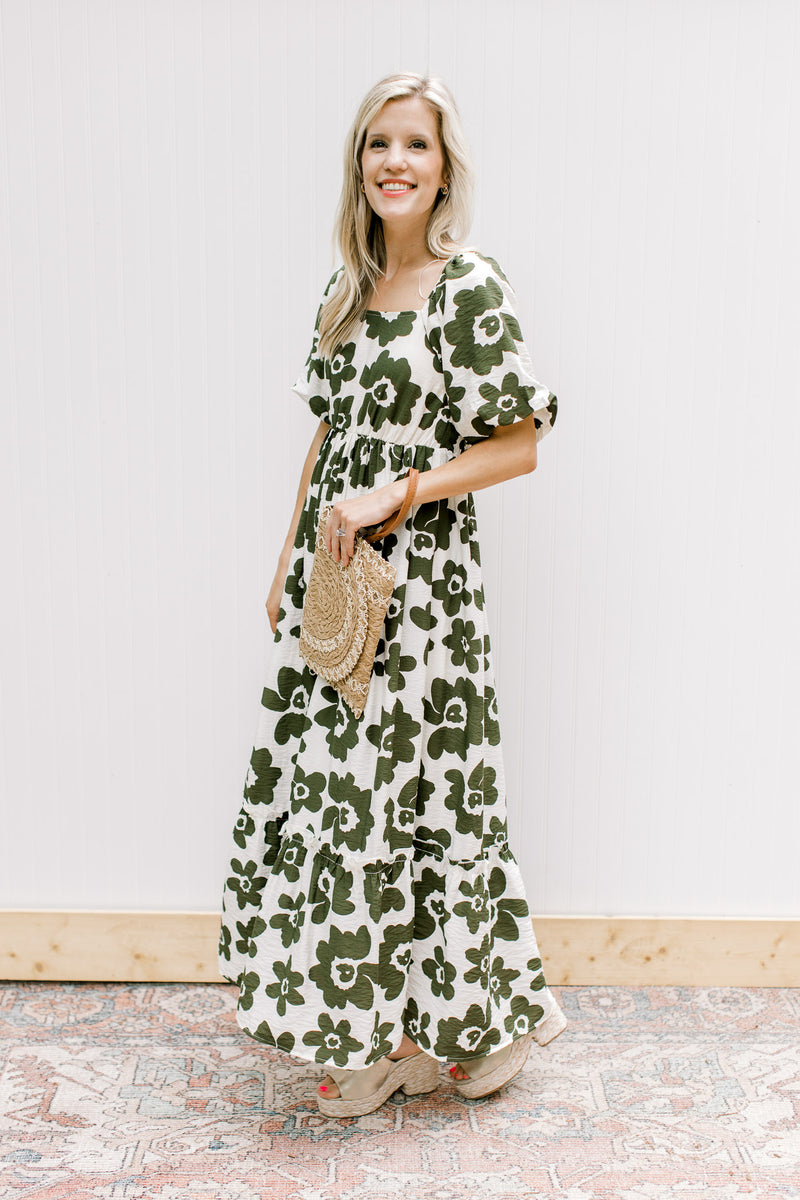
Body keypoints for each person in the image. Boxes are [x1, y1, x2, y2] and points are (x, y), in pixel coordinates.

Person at [217, 71, 567, 1118]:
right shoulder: (344, 291)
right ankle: (375, 1028)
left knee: (416, 802)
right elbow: (324, 434)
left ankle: (453, 1030)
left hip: (425, 597)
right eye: (377, 144)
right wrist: (287, 553)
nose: (393, 162)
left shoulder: (471, 289)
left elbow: (518, 446)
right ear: (358, 164)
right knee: (341, 802)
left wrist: (400, 489)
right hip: (340, 585)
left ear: (443, 165)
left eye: (413, 143)